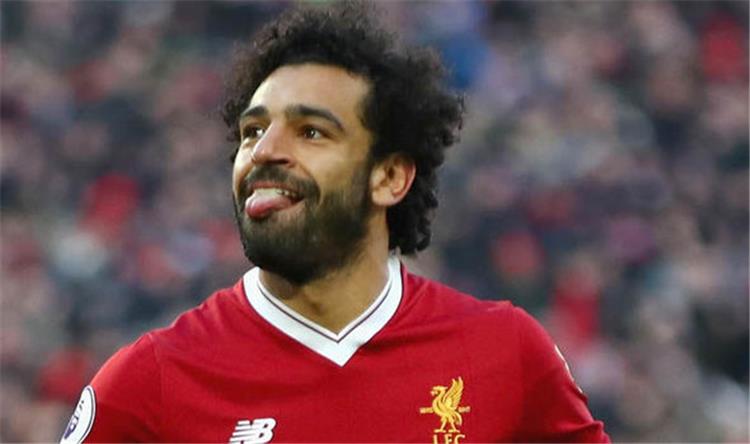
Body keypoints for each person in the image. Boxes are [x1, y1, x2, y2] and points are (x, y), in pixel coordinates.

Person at [60, 2, 609, 443]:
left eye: (311, 132)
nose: (264, 151)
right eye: (252, 131)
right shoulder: (149, 382)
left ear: (389, 177)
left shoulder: (504, 352)